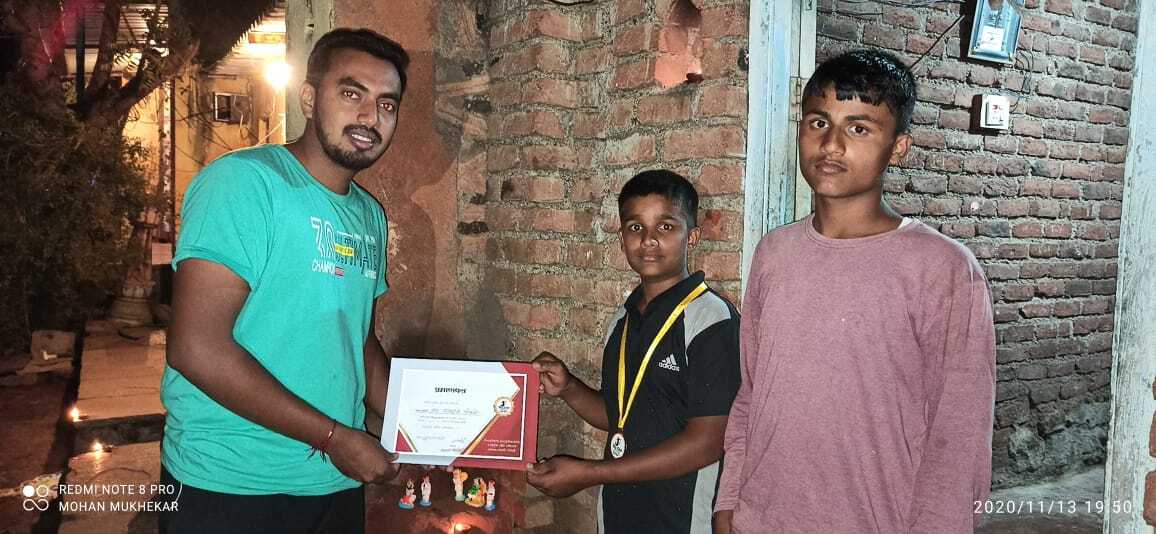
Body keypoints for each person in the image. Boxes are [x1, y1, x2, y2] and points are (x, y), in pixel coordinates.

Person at [713, 49, 996, 534]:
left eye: (859, 128)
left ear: (898, 147)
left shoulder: (943, 268)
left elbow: (959, 438)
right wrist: (729, 504)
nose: (832, 145)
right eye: (819, 123)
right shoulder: (774, 253)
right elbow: (752, 394)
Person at [159, 28, 409, 534]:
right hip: (228, 483)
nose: (370, 117)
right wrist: (334, 438)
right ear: (309, 98)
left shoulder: (369, 216)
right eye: (352, 93)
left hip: (332, 482)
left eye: (387, 104)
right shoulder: (244, 184)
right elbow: (196, 347)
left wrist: (414, 429)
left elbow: (356, 339)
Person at [528, 170, 741, 534]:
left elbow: (707, 442)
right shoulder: (622, 321)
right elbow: (621, 416)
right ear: (622, 239)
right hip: (619, 515)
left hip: (681, 519)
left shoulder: (710, 320)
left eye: (666, 227)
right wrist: (569, 388)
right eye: (635, 227)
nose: (649, 240)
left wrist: (590, 473)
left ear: (692, 237)